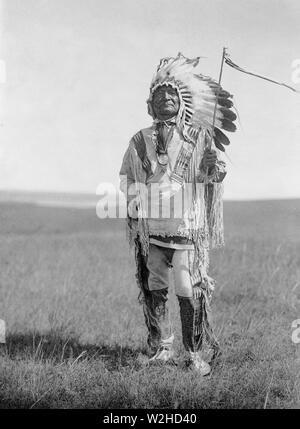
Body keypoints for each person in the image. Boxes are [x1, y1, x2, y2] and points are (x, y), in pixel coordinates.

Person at [119, 53, 236, 375]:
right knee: (154, 282)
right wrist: (134, 200)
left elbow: (214, 175)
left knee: (187, 286)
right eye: (159, 96)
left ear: (182, 102)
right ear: (150, 104)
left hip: (187, 223)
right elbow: (127, 177)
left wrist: (215, 169)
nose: (166, 100)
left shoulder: (199, 136)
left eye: (171, 95)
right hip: (151, 224)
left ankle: (195, 352)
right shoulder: (138, 139)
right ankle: (162, 347)